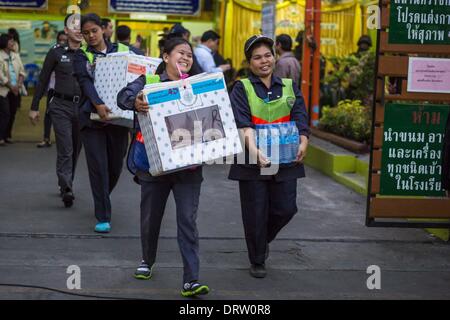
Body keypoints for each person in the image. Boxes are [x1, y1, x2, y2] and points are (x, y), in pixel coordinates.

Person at [117, 38, 210, 298]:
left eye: (190, 55)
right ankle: (147, 260)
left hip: (188, 168)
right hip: (154, 165)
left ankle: (191, 280)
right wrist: (135, 101)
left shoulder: (196, 85)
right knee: (150, 217)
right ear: (166, 56)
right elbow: (122, 97)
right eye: (181, 53)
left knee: (187, 221)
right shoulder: (148, 82)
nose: (187, 58)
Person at [229, 35, 310, 278]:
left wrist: (304, 140)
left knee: (286, 209)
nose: (263, 61)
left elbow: (300, 115)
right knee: (255, 211)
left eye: (267, 55)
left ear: (274, 57)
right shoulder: (241, 88)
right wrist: (255, 152)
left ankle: (261, 240)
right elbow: (243, 123)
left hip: (285, 160)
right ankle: (257, 259)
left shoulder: (288, 86)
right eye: (257, 57)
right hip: (252, 162)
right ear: (249, 62)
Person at [73, 13, 131, 233]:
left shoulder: (125, 51)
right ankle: (103, 215)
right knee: (98, 168)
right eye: (86, 33)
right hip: (92, 121)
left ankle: (102, 196)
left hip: (119, 120)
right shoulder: (82, 55)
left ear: (105, 29)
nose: (91, 36)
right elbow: (85, 82)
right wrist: (97, 104)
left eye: (94, 31)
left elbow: (143, 72)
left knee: (115, 166)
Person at [29, 15, 83, 208]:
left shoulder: (90, 53)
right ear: (66, 31)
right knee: (66, 148)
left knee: (76, 149)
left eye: (80, 26)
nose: (78, 29)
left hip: (83, 108)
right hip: (60, 106)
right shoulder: (56, 52)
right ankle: (66, 187)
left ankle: (68, 182)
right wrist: (34, 107)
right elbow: (43, 79)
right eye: (73, 26)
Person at [37, 31, 69, 149]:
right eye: (60, 40)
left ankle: (67, 141)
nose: (62, 42)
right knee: (48, 113)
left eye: (64, 40)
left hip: (67, 92)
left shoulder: (73, 54)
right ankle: (46, 138)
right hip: (53, 89)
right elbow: (44, 75)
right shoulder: (54, 53)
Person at [0, 33, 25, 145]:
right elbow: (0, 75)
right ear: (4, 43)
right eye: (10, 41)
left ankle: (7, 136)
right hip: (3, 90)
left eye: (13, 41)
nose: (13, 43)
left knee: (13, 112)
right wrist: (10, 86)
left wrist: (18, 84)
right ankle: (1, 136)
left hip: (16, 89)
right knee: (5, 113)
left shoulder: (16, 55)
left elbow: (22, 71)